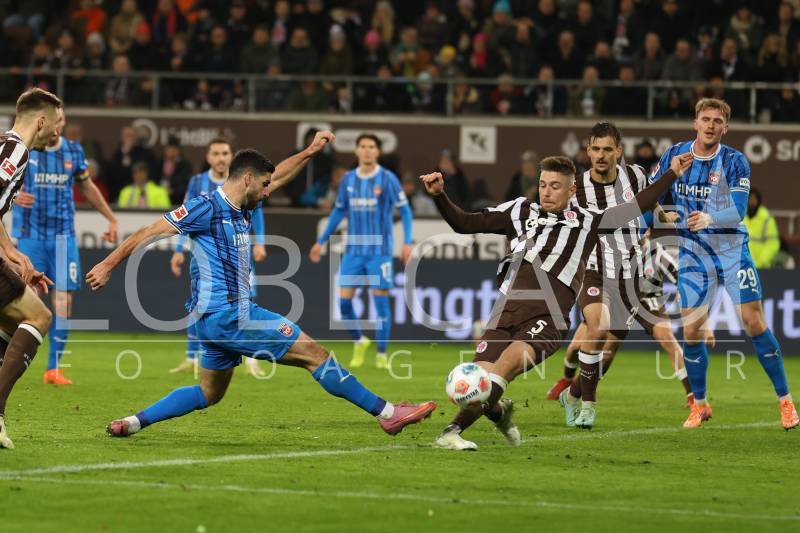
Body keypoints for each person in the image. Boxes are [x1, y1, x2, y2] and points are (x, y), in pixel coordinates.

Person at [88, 134, 436, 438]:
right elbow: (148, 232)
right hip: (231, 316)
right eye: (264, 185)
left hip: (211, 321)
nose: (269, 190)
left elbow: (280, 174)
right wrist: (107, 265)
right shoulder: (206, 208)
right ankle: (389, 413)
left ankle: (133, 423)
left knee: (209, 393)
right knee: (316, 355)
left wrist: (309, 152)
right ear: (247, 179)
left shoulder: (243, 206)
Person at [422, 151, 692, 450]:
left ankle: (450, 433)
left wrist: (672, 174)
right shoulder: (519, 210)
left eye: (555, 186)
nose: (546, 192)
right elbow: (464, 223)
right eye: (542, 184)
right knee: (479, 385)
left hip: (546, 318)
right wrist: (440, 195)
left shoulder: (589, 221)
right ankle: (500, 414)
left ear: (572, 190)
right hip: (505, 312)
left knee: (501, 372)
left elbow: (636, 206)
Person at [651, 98, 798, 430]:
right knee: (691, 330)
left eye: (717, 121)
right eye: (705, 119)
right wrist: (662, 214)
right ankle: (700, 405)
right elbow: (653, 194)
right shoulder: (675, 155)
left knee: (753, 322)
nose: (711, 125)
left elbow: (739, 210)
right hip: (693, 254)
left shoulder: (734, 161)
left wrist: (710, 218)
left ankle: (785, 401)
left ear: (725, 127)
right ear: (695, 123)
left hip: (731, 251)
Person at [11, 106, 117, 386]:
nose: (57, 125)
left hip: (63, 237)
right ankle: (11, 362)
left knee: (64, 301)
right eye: (54, 119)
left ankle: (53, 369)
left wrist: (110, 218)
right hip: (30, 235)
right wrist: (15, 194)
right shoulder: (25, 148)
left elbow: (87, 187)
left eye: (61, 119)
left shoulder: (73, 151)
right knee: (25, 300)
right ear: (43, 121)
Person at [308, 134, 413, 369]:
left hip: (379, 252)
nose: (367, 150)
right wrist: (321, 241)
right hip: (353, 251)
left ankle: (382, 355)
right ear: (356, 151)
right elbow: (338, 211)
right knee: (344, 303)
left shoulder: (387, 179)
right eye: (363, 146)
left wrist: (407, 242)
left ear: (378, 152)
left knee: (380, 304)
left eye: (371, 146)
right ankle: (359, 341)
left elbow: (405, 211)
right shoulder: (347, 180)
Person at [169, 138, 267, 378]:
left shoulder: (242, 180)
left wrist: (260, 242)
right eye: (216, 153)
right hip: (206, 257)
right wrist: (179, 250)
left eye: (225, 153)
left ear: (231, 156)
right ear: (208, 157)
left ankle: (251, 359)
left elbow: (257, 211)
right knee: (200, 304)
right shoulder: (197, 182)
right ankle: (192, 358)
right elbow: (184, 216)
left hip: (238, 252)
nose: (221, 158)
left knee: (246, 301)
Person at [0, 88, 64, 450]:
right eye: (55, 125)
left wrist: (10, 251)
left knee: (15, 322)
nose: (56, 133)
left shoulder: (4, 144)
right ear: (41, 122)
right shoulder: (17, 151)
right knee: (39, 317)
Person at [744, 188, 780, 269]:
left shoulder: (766, 218)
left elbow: (773, 244)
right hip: (742, 266)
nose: (752, 202)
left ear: (758, 201)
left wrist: (759, 262)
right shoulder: (740, 216)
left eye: (754, 199)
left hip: (761, 267)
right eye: (750, 199)